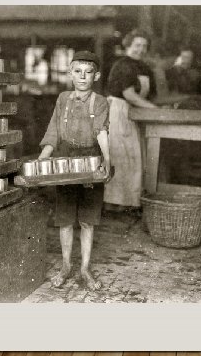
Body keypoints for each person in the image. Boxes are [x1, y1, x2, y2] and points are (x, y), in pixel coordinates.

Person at [38, 51, 111, 290]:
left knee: (88, 221)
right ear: (70, 74)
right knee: (65, 220)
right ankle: (66, 266)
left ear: (96, 75)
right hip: (66, 161)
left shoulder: (99, 102)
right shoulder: (63, 99)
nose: (83, 77)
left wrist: (106, 161)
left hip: (90, 161)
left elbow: (101, 132)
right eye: (77, 72)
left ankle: (85, 268)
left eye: (88, 72)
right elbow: (53, 132)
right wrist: (42, 159)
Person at [104, 29, 157, 210]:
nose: (140, 49)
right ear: (128, 46)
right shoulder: (122, 65)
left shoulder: (144, 68)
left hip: (137, 113)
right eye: (137, 45)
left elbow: (150, 95)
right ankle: (113, 203)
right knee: (120, 158)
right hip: (119, 112)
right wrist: (154, 110)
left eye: (144, 46)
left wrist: (152, 107)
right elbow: (130, 95)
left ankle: (128, 203)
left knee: (134, 159)